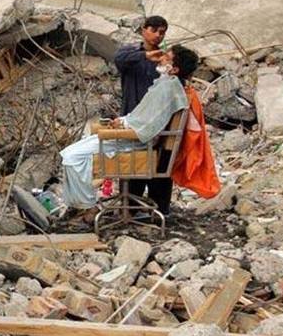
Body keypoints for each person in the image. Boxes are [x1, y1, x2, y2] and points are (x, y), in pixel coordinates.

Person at [59, 45, 199, 210]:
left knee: (72, 157)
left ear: (174, 69)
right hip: (130, 137)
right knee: (70, 154)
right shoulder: (166, 85)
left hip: (135, 142)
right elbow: (144, 116)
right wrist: (123, 121)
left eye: (167, 58)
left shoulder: (168, 88)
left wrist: (124, 124)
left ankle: (86, 207)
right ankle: (80, 206)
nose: (161, 59)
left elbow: (148, 127)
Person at [115, 15, 174, 215]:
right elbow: (119, 60)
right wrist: (146, 56)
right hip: (134, 118)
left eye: (162, 32)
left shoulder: (165, 58)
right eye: (154, 30)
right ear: (144, 30)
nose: (158, 35)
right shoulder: (130, 53)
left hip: (159, 121)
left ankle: (159, 210)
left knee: (160, 165)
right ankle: (130, 208)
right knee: (133, 164)